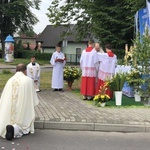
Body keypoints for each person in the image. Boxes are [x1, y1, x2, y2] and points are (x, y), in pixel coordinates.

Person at [0, 64, 39, 140]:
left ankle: (6, 127)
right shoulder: (28, 80)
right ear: (25, 71)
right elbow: (33, 97)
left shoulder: (10, 80)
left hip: (9, 108)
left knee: (8, 119)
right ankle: (15, 129)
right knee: (23, 123)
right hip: (22, 106)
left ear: (16, 70)